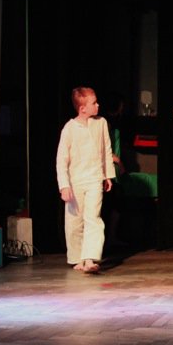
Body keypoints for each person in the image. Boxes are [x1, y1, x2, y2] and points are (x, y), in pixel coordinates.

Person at [56, 86, 116, 273]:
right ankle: (77, 258)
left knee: (93, 218)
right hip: (75, 181)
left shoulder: (101, 123)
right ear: (82, 108)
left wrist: (107, 175)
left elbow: (106, 149)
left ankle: (90, 258)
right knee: (74, 221)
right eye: (94, 103)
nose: (98, 105)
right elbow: (61, 159)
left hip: (94, 178)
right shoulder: (70, 128)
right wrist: (64, 185)